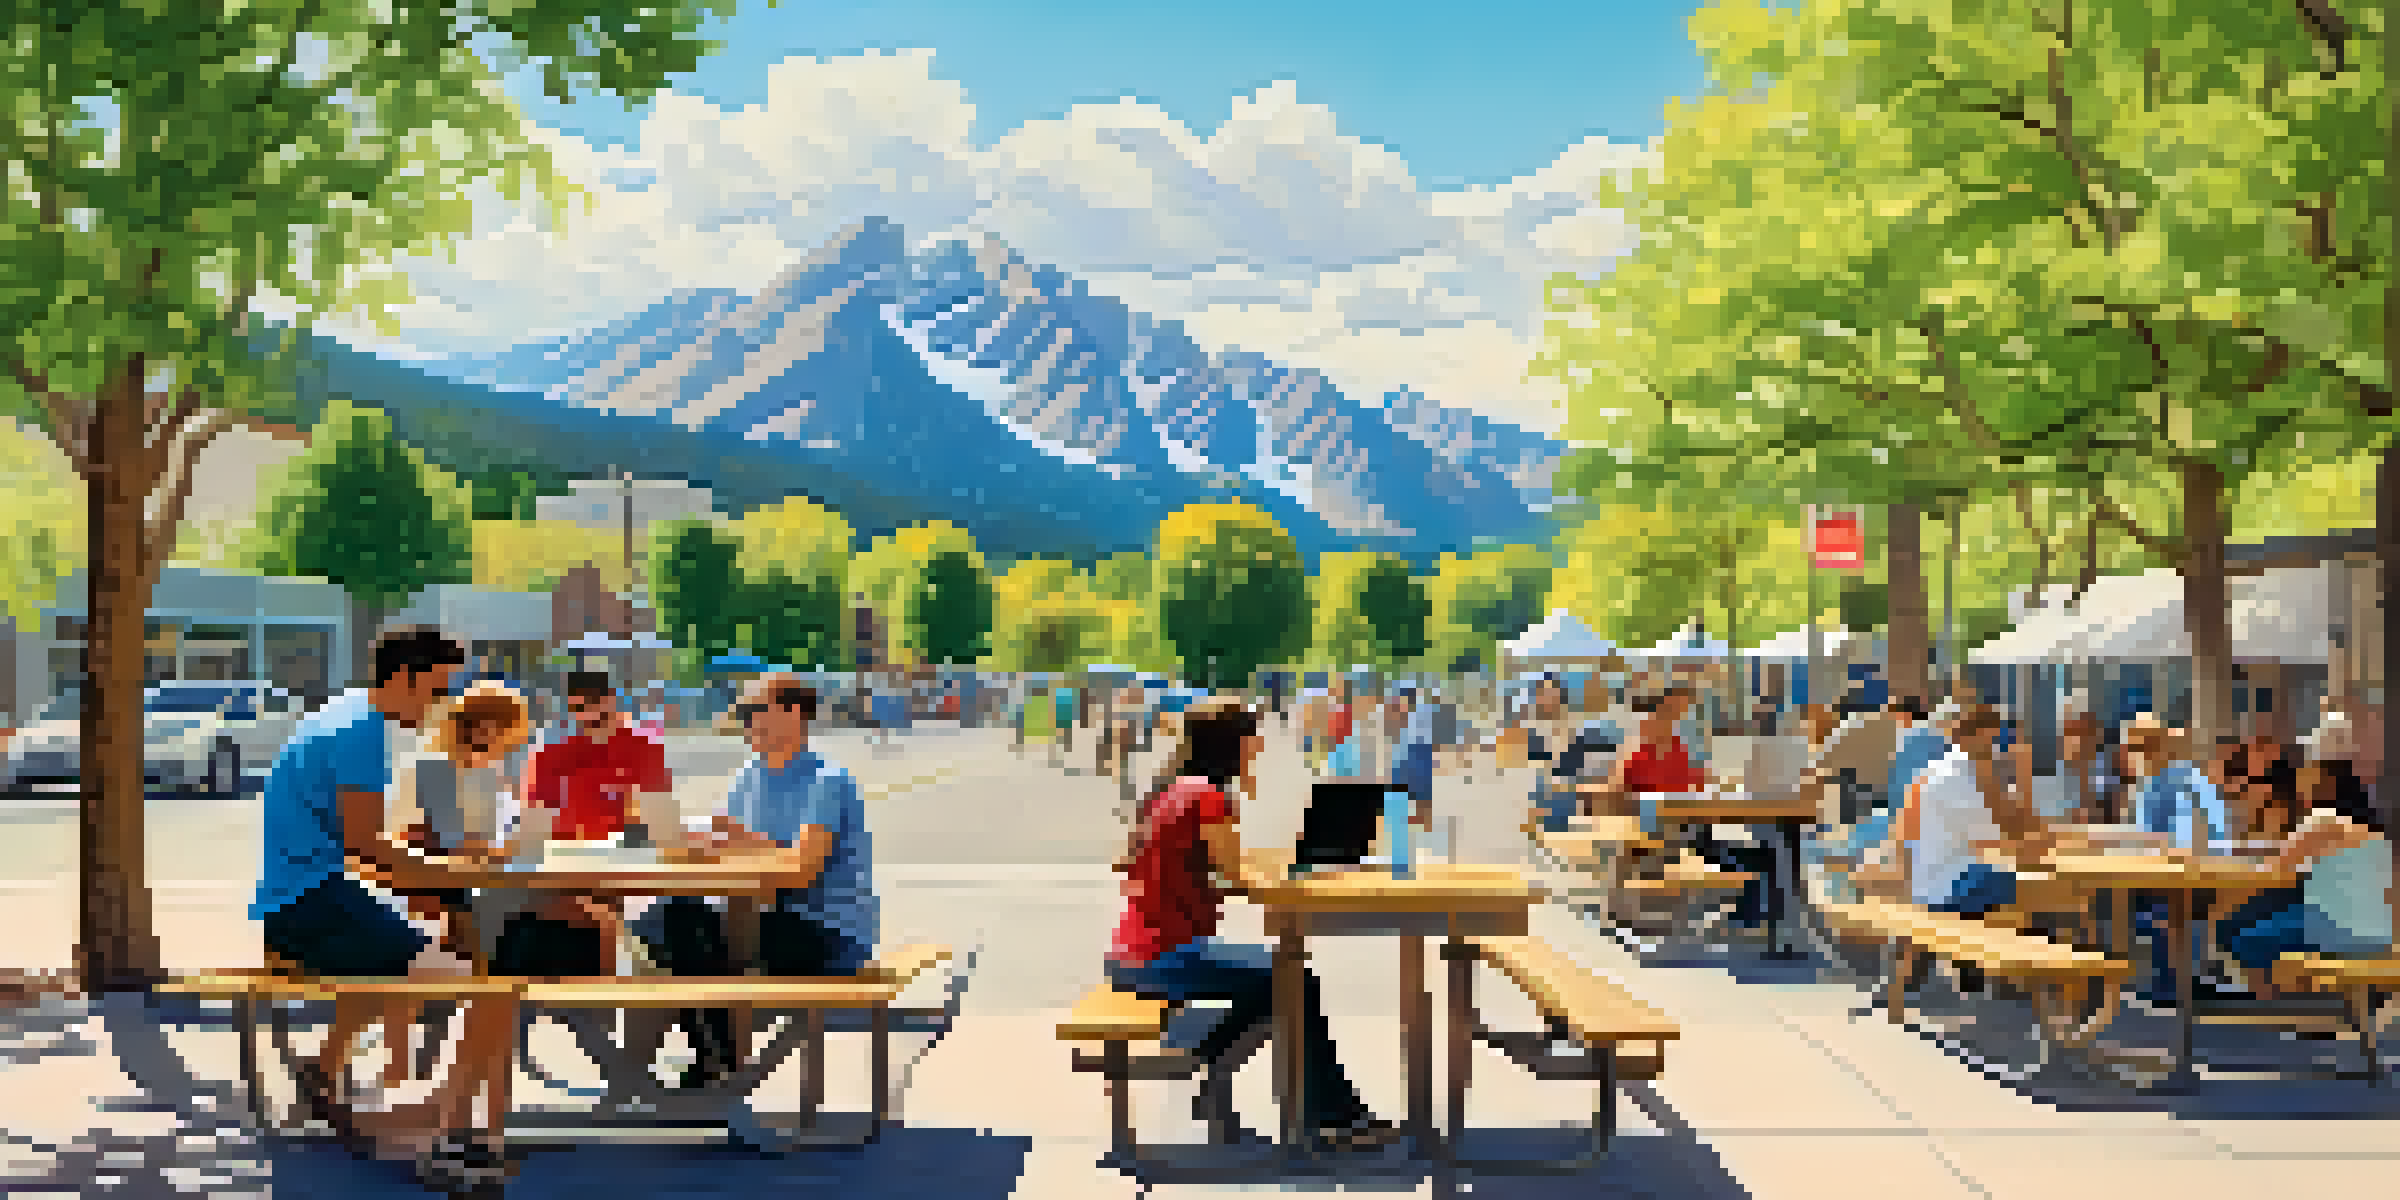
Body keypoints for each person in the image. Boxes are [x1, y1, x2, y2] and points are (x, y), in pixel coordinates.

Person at [250, 625, 515, 1183]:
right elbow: (367, 845)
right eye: (438, 691)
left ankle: (327, 1073)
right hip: (315, 905)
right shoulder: (361, 734)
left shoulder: (340, 712)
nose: (444, 705)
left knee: (416, 962)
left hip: (307, 901)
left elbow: (361, 849)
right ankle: (433, 1131)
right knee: (487, 989)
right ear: (404, 678)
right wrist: (453, 869)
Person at [1106, 698, 1397, 1151]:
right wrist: (1300, 873)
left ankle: (1228, 1074)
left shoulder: (1173, 790)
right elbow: (1239, 874)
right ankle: (1329, 1116)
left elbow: (1204, 870)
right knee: (1291, 979)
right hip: (1163, 957)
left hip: (1139, 951)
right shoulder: (1209, 798)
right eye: (1252, 739)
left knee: (1286, 977)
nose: (1258, 748)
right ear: (1232, 744)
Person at [631, 674, 881, 1089]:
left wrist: (748, 844)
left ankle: (715, 1061)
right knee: (665, 919)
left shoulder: (826, 781)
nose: (746, 723)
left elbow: (802, 870)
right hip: (760, 915)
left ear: (794, 715)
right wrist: (687, 841)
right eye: (745, 714)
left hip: (826, 931)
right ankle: (708, 1058)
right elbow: (732, 847)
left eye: (754, 712)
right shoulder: (749, 775)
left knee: (685, 933)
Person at [380, 679, 536, 1088]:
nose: (512, 745)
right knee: (477, 933)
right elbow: (457, 844)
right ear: (486, 728)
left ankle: (442, 1047)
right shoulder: (435, 768)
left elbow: (486, 839)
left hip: (459, 883)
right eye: (509, 734)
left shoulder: (484, 770)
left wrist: (517, 841)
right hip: (418, 883)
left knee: (490, 925)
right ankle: (445, 1052)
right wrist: (502, 848)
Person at [507, 672, 672, 979]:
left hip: (624, 872)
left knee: (632, 915)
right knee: (589, 915)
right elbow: (530, 839)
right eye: (581, 707)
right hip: (566, 875)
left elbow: (665, 831)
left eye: (598, 704)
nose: (591, 714)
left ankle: (609, 998)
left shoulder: (643, 750)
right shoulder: (550, 755)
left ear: (616, 703)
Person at [2212, 759, 2393, 999]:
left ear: (2327, 786)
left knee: (2241, 935)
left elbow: (2275, 871)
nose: (2301, 781)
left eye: (2310, 775)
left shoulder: (2322, 820)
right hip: (2375, 932)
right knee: (2249, 917)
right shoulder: (2370, 829)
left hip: (2335, 928)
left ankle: (2272, 998)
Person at [2123, 714, 2233, 1009]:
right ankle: (2162, 981)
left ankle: (2175, 983)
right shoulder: (2150, 783)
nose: (2140, 753)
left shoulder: (2183, 781)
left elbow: (2187, 841)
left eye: (2147, 745)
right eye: (2134, 747)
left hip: (2198, 876)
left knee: (2158, 904)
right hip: (2166, 874)